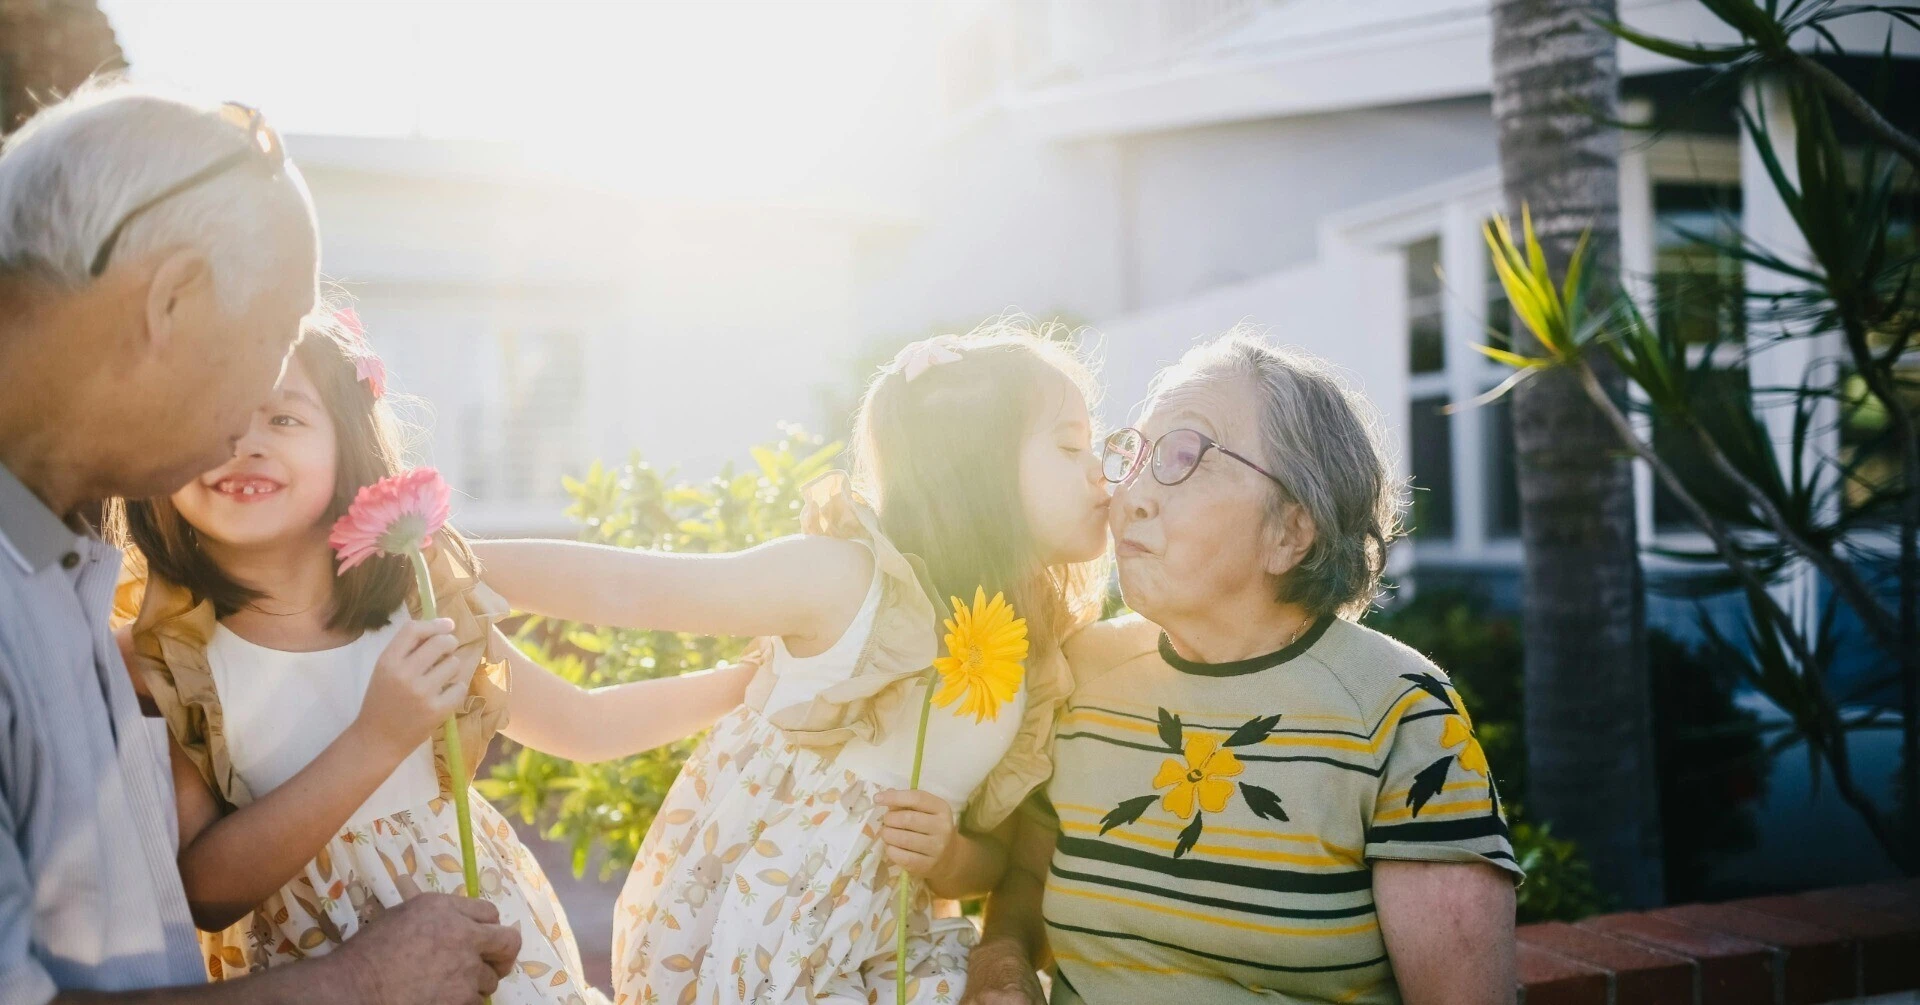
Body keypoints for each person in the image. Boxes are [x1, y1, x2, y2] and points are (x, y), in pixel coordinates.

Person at [0, 84, 518, 1005]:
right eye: (271, 344)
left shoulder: (61, 559)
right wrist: (357, 983)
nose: (256, 422)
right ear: (171, 301)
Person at [110, 316, 759, 1003]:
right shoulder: (163, 658)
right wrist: (376, 738)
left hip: (488, 953)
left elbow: (582, 721)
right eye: (214, 416)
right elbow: (206, 890)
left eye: (284, 418)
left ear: (346, 441)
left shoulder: (416, 597)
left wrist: (745, 683)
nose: (246, 444)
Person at [469, 321, 1113, 1003]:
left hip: (885, 947)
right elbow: (636, 587)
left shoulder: (1035, 655)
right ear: (978, 468)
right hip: (756, 941)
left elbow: (993, 859)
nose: (1100, 469)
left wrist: (950, 854)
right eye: (1072, 445)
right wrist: (462, 564)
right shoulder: (850, 582)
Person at [963, 332, 1521, 1005]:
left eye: (1182, 456)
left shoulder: (1400, 716)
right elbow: (1025, 878)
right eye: (1135, 455)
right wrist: (1002, 964)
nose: (1130, 495)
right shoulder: (1081, 674)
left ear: (1290, 529)